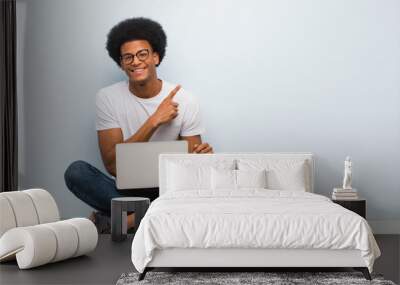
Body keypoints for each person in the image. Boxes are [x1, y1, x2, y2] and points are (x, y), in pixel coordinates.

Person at [64, 17, 213, 233]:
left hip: (168, 191)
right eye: (128, 57)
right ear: (121, 63)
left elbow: (189, 171)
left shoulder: (186, 100)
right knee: (76, 172)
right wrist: (154, 121)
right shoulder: (107, 98)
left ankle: (123, 222)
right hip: (126, 193)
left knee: (198, 192)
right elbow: (113, 165)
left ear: (156, 57)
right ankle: (149, 217)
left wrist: (201, 158)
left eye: (142, 54)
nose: (136, 61)